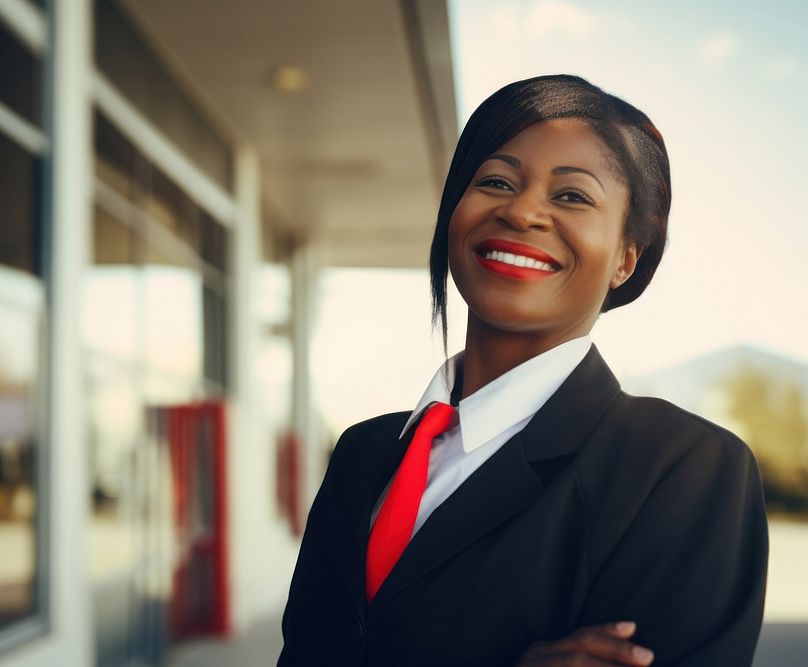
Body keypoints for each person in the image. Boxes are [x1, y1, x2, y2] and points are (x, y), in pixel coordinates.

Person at [277, 74, 769, 667]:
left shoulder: (683, 469)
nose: (522, 210)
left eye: (572, 196)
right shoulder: (363, 454)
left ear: (624, 259)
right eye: (495, 181)